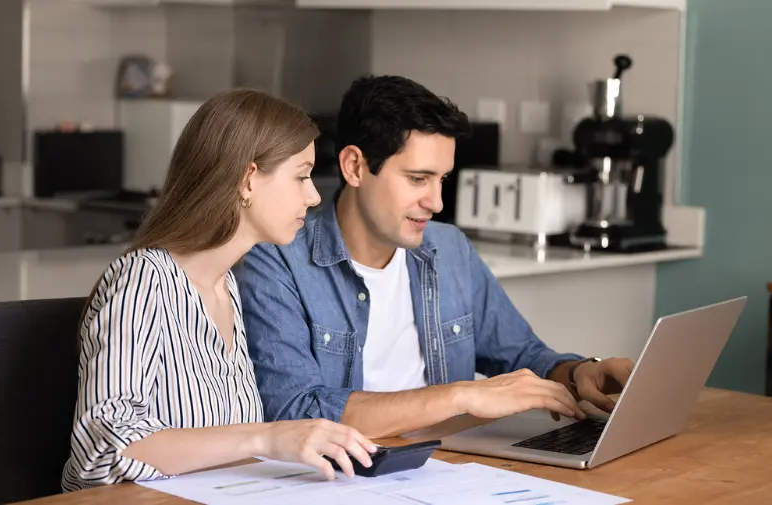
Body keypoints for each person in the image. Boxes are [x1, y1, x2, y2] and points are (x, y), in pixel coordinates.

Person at [236, 75, 635, 439]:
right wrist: (459, 397)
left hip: (448, 470)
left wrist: (582, 372)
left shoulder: (448, 249)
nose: (437, 202)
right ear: (355, 166)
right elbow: (295, 412)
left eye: (442, 179)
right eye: (417, 179)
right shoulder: (276, 261)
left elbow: (523, 356)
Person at [61, 88, 378, 492]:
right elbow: (104, 453)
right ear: (248, 179)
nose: (314, 195)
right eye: (301, 176)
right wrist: (268, 437)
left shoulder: (226, 285)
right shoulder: (142, 280)